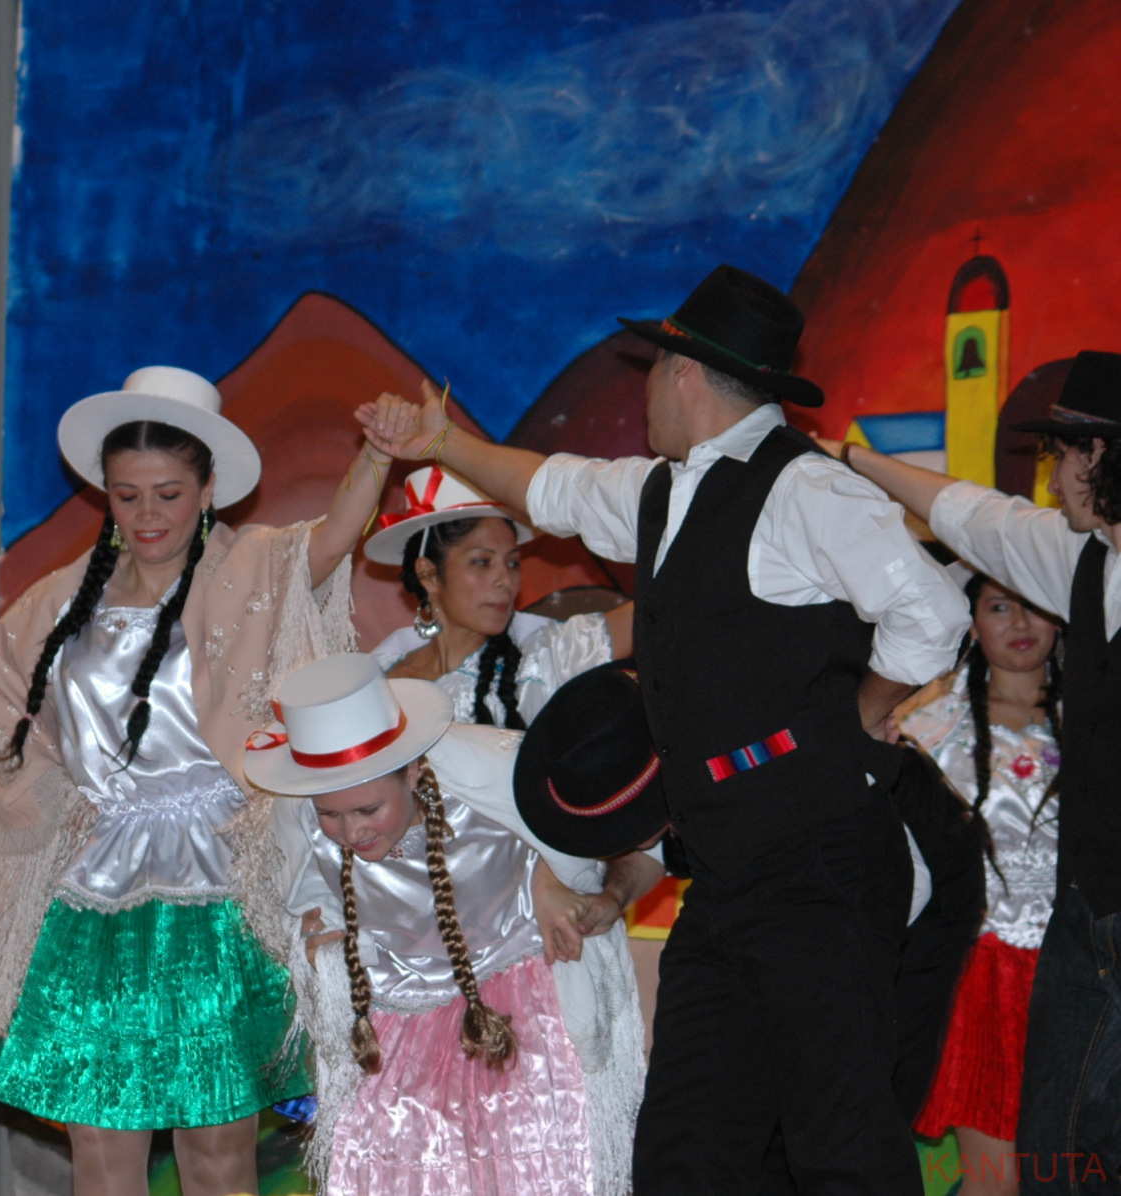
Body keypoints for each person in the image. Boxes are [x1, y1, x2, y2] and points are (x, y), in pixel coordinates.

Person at [358, 264, 970, 1195]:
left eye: (651, 367)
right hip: (724, 876)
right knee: (685, 1156)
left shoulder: (806, 490)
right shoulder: (665, 492)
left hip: (821, 863)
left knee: (839, 1145)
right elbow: (551, 487)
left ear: (683, 373)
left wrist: (864, 707)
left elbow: (932, 610)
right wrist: (443, 442)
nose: (643, 388)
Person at [0, 366, 390, 1196]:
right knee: (101, 1149)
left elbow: (328, 541)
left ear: (208, 491)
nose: (148, 515)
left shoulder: (249, 570)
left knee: (216, 1151)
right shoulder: (57, 604)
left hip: (219, 890)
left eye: (169, 495)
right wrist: (57, 806)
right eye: (128, 495)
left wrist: (380, 455)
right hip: (94, 898)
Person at [816, 348, 1121, 1193]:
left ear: (1100, 453)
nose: (1050, 477)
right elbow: (973, 515)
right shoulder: (1083, 559)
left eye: (1062, 454)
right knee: (1058, 1156)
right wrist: (851, 459)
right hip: (1085, 923)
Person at [252, 654, 666, 1196]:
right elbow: (296, 900)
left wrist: (558, 879)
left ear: (412, 772)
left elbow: (637, 840)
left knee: (532, 1166)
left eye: (368, 810)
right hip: (399, 1024)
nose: (351, 833)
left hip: (520, 1007)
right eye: (331, 814)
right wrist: (319, 939)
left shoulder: (495, 777)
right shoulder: (297, 819)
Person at [902, 575, 1061, 1196]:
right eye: (1000, 608)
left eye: (1035, 607)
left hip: (1083, 971)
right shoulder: (928, 730)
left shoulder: (1097, 720)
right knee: (1000, 1181)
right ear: (971, 622)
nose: (1020, 624)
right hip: (984, 978)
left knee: (1077, 1172)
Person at [362, 463, 635, 726]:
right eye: (482, 562)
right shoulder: (379, 677)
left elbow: (647, 611)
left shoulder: (540, 663)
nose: (506, 580)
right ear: (429, 574)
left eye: (513, 563)